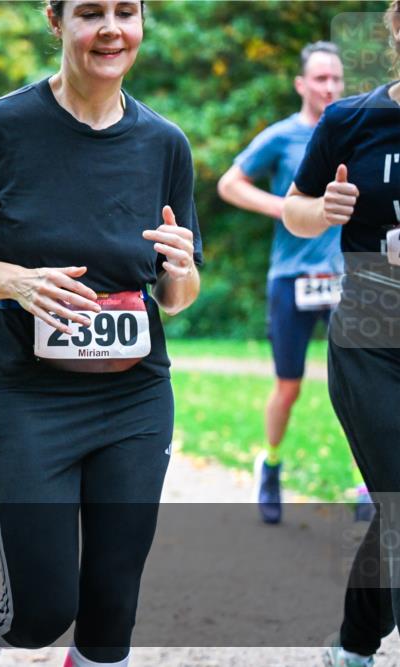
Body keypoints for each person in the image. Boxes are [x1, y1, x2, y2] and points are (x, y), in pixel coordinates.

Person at [0, 2, 202, 665]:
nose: (110, 29)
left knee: (111, 608)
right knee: (40, 611)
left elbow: (177, 297)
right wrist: (20, 282)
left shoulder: (166, 143)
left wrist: (182, 271)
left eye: (126, 12)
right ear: (55, 20)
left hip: (135, 397)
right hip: (27, 395)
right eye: (90, 12)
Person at [283, 3, 400, 665]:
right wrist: (322, 208)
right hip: (372, 338)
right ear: (397, 29)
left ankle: (353, 647)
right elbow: (297, 212)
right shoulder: (350, 120)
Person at [217, 42, 345, 525]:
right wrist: (287, 209)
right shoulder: (283, 137)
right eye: (319, 79)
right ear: (301, 84)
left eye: (335, 79)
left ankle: (363, 483)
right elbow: (229, 184)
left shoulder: (353, 131)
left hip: (345, 280)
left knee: (357, 384)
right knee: (288, 386)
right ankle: (270, 465)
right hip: (291, 278)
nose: (329, 87)